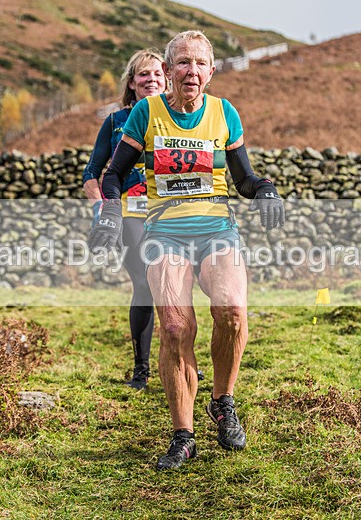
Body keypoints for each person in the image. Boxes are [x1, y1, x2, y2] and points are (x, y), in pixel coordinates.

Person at [89, 30, 285, 470]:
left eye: (199, 63)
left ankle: (223, 401)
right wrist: (109, 212)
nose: (190, 71)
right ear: (169, 69)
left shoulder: (224, 113)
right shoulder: (146, 112)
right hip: (166, 232)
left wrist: (267, 190)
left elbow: (244, 180)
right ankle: (184, 435)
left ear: (211, 72)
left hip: (216, 228)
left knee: (232, 310)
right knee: (176, 328)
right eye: (181, 63)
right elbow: (114, 174)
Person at [82, 49, 166, 389]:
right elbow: (92, 174)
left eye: (158, 74)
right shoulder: (116, 122)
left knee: (175, 287)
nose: (151, 80)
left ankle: (178, 359)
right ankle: (141, 370)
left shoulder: (178, 118)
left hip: (171, 212)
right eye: (144, 75)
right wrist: (103, 212)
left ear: (168, 79)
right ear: (131, 83)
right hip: (130, 210)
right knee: (145, 284)